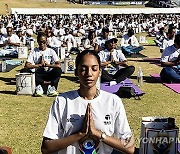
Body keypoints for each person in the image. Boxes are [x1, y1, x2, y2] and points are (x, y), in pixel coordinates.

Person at [41, 50, 134, 154]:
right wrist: (79, 134)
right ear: (76, 72)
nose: (89, 74)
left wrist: (99, 134)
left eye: (94, 69)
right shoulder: (62, 101)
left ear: (100, 72)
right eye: (83, 69)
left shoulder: (113, 101)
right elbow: (46, 147)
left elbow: (129, 147)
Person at [22, 32, 62, 96]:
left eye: (44, 42)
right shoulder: (34, 51)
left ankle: (52, 87)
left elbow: (59, 65)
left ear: (46, 41)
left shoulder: (51, 51)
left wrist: (47, 65)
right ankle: (43, 84)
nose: (42, 44)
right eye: (40, 42)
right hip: (38, 74)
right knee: (24, 71)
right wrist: (38, 65)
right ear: (37, 42)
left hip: (48, 73)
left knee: (58, 70)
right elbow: (26, 65)